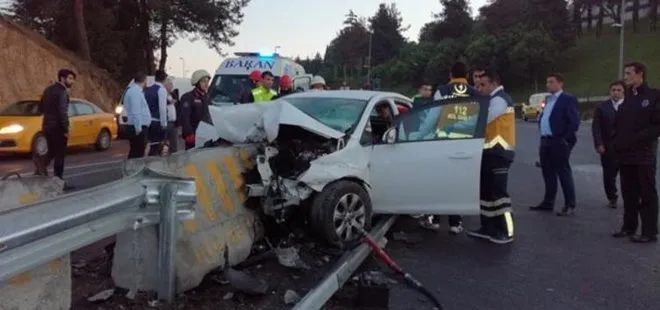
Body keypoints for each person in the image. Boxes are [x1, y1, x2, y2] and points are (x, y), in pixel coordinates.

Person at [419, 61, 480, 234]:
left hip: (443, 141)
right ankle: (456, 222)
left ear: (450, 74)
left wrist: (421, 134)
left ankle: (437, 219)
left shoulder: (442, 91)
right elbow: (478, 120)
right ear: (467, 75)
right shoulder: (475, 93)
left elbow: (433, 116)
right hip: (467, 143)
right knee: (458, 181)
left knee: (439, 180)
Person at [466, 68, 516, 244]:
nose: (479, 88)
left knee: (499, 196)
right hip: (489, 153)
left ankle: (507, 231)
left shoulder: (500, 100)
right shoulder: (491, 99)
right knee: (486, 194)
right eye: (477, 85)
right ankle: (488, 228)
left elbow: (482, 120)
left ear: (494, 83)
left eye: (483, 85)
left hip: (499, 153)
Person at [611, 61, 660, 243]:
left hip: (644, 154)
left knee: (647, 192)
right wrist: (616, 142)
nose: (626, 77)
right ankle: (629, 226)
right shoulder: (628, 98)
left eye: (629, 73)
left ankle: (649, 231)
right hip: (626, 154)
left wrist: (638, 138)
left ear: (640, 75)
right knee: (628, 192)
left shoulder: (654, 96)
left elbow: (657, 126)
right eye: (625, 73)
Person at [529, 73, 580, 216]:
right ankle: (548, 202)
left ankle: (570, 204)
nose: (548, 85)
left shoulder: (567, 99)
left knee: (563, 172)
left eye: (551, 82)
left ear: (560, 83)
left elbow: (574, 121)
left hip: (558, 140)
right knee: (548, 172)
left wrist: (566, 138)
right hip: (546, 140)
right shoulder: (548, 99)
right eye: (547, 82)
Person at [592, 80, 625, 208]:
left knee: (628, 175)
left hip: (626, 147)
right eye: (613, 90)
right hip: (608, 146)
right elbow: (596, 127)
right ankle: (612, 197)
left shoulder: (629, 105)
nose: (616, 93)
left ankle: (631, 198)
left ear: (623, 92)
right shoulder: (602, 107)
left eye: (619, 90)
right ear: (610, 91)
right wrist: (598, 143)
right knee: (609, 174)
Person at [38, 69, 75, 184]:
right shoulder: (62, 92)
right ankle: (59, 181)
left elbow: (40, 108)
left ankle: (40, 169)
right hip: (58, 127)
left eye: (73, 79)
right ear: (62, 78)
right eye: (70, 78)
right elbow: (62, 112)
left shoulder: (48, 89)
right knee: (60, 154)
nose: (72, 81)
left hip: (47, 125)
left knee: (51, 151)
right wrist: (65, 129)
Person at [180, 69, 213, 150]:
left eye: (207, 81)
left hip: (206, 134)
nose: (206, 84)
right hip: (193, 135)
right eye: (203, 81)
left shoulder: (207, 97)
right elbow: (185, 117)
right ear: (197, 82)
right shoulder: (188, 97)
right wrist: (189, 134)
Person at [123, 72, 151, 159]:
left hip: (136, 126)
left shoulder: (134, 91)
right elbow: (136, 110)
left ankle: (132, 169)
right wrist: (138, 128)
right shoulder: (135, 92)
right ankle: (133, 170)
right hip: (138, 127)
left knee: (136, 151)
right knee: (137, 152)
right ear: (144, 80)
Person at [144, 70, 169, 155]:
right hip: (157, 121)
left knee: (150, 145)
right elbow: (162, 108)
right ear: (164, 79)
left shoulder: (147, 89)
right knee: (158, 146)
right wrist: (164, 123)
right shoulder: (161, 90)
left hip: (148, 121)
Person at [164, 76, 179, 153]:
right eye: (169, 85)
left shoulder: (172, 95)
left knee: (174, 146)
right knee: (163, 145)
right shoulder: (162, 95)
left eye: (172, 85)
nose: (171, 86)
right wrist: (169, 102)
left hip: (173, 123)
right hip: (165, 122)